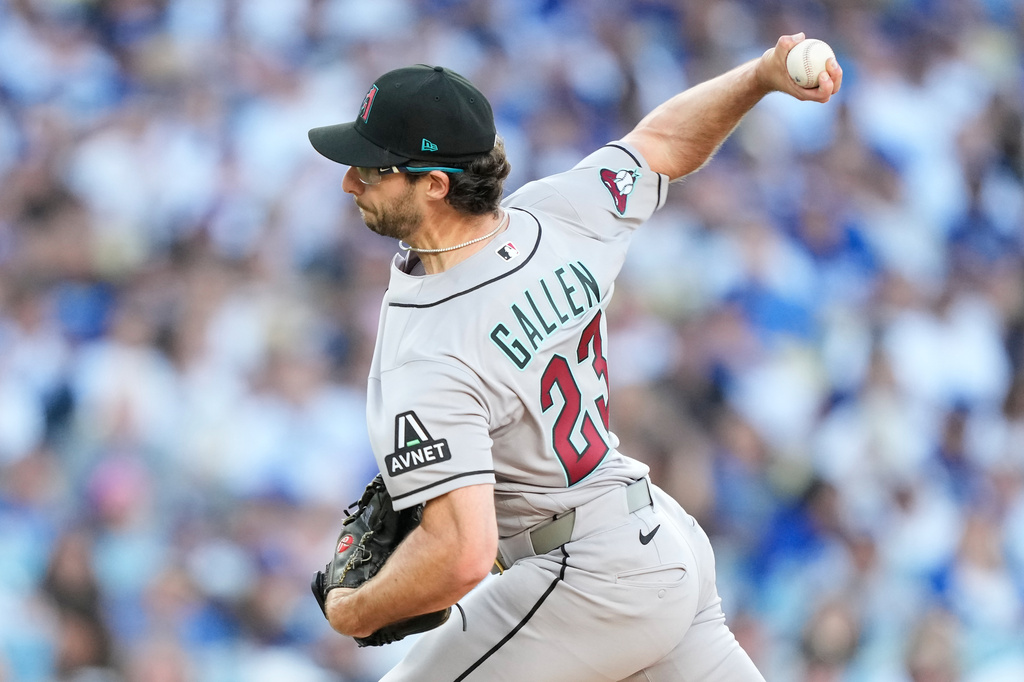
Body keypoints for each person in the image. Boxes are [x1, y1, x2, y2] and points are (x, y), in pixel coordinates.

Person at [307, 32, 842, 682]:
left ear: (435, 186)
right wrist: (758, 76)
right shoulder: (553, 216)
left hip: (586, 576)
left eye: (373, 168)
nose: (349, 181)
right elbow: (664, 145)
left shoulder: (428, 345)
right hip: (656, 540)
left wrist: (354, 611)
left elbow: (463, 555)